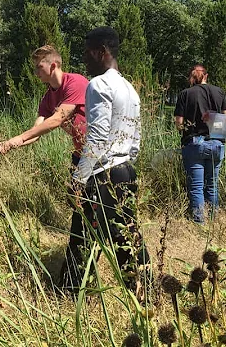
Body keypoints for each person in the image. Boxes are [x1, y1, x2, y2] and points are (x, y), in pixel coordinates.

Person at [65, 26, 151, 301]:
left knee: (91, 236)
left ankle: (73, 291)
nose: (84, 59)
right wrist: (125, 161)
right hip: (125, 170)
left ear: (102, 52)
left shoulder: (98, 85)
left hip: (103, 175)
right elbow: (135, 138)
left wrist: (79, 179)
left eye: (88, 53)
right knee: (127, 233)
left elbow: (98, 136)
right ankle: (145, 288)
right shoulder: (130, 89)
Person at [0, 45, 88, 163]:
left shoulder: (75, 82)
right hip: (81, 154)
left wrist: (21, 137)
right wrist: (9, 144)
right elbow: (36, 131)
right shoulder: (47, 98)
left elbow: (57, 119)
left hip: (102, 151)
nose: (36, 72)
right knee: (76, 182)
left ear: (53, 66)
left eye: (39, 67)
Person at [174, 64, 226, 224]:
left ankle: (199, 223)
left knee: (197, 186)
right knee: (212, 185)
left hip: (194, 143)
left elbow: (179, 123)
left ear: (192, 77)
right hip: (217, 143)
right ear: (206, 75)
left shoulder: (185, 94)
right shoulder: (219, 92)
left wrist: (186, 133)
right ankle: (213, 221)